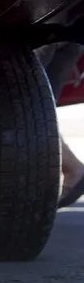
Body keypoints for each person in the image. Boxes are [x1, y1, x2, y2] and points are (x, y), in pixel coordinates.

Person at [35, 42, 84, 208]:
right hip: (71, 28)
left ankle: (71, 168)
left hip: (37, 26)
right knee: (43, 109)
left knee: (26, 107)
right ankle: (70, 170)